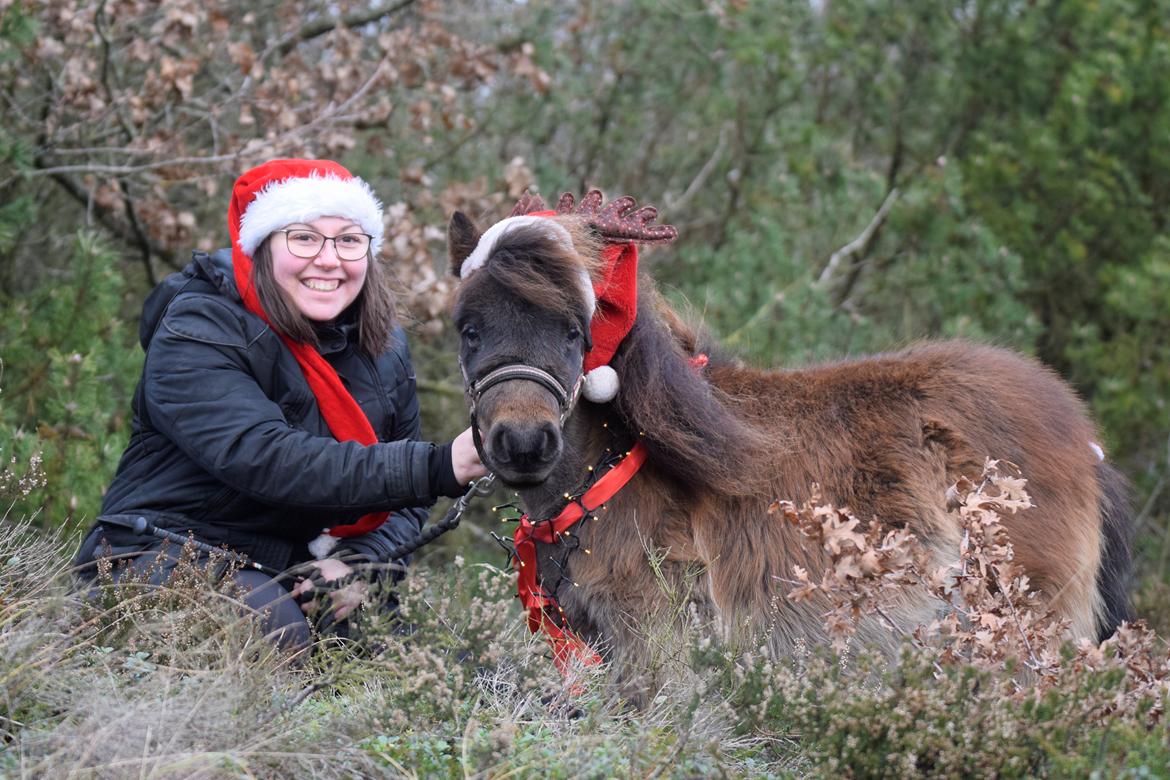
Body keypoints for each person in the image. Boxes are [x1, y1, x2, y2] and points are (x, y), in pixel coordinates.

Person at [74, 158, 487, 648]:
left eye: (348, 240)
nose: (329, 259)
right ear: (263, 246)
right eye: (304, 238)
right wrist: (441, 465)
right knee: (273, 630)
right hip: (166, 551)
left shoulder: (384, 347)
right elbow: (268, 458)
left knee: (420, 655)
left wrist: (358, 564)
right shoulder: (198, 327)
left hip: (292, 563)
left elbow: (402, 505)